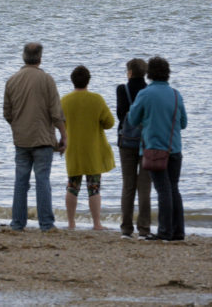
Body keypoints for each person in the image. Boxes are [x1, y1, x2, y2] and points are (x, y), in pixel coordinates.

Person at [3, 42, 67, 232]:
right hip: (42, 139)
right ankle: (46, 223)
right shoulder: (47, 80)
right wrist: (64, 135)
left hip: (21, 139)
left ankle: (17, 222)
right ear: (40, 58)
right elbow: (56, 113)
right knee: (42, 181)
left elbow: (7, 113)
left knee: (21, 181)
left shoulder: (12, 80)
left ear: (24, 56)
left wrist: (18, 126)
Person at [127, 56, 187, 242]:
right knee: (174, 188)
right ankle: (178, 232)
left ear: (149, 74)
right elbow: (183, 123)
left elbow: (132, 120)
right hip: (174, 148)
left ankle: (165, 232)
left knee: (163, 190)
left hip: (154, 150)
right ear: (167, 73)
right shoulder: (176, 94)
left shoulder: (145, 94)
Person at [61, 65, 115, 230]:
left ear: (72, 81)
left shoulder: (64, 100)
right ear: (88, 80)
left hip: (73, 150)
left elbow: (58, 123)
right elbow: (109, 123)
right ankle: (97, 223)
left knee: (72, 186)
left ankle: (71, 223)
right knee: (94, 188)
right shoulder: (97, 99)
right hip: (93, 151)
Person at [116, 57, 151, 239]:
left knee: (128, 185)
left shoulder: (123, 89)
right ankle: (144, 229)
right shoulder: (149, 91)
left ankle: (126, 229)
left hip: (127, 141)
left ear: (129, 72)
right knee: (144, 186)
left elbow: (121, 115)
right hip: (146, 142)